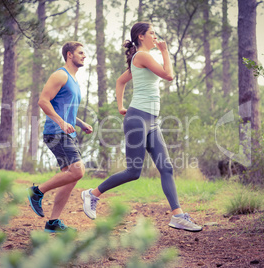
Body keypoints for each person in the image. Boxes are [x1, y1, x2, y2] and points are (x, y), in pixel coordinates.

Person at [81, 22, 202, 232]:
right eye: (152, 33)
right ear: (141, 36)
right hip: (138, 119)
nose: (156, 37)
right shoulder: (143, 56)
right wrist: (165, 52)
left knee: (166, 167)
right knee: (133, 172)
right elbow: (169, 75)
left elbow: (120, 81)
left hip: (152, 121)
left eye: (155, 33)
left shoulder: (140, 60)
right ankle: (92, 194)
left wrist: (120, 106)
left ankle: (178, 216)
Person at [28, 41, 93, 233]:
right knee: (78, 171)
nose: (84, 56)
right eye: (81, 52)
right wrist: (61, 122)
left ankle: (53, 222)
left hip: (66, 133)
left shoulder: (73, 80)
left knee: (70, 178)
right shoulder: (60, 75)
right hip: (56, 133)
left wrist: (80, 124)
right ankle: (36, 191)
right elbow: (43, 101)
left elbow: (65, 110)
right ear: (69, 54)